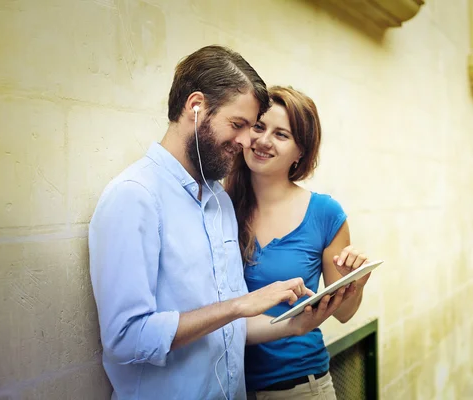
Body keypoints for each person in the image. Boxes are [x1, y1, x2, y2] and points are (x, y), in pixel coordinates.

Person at [88, 46, 349, 400]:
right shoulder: (134, 197)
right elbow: (124, 339)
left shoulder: (219, 201)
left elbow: (231, 329)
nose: (246, 141)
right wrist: (238, 305)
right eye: (239, 125)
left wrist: (295, 324)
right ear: (196, 107)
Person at [224, 86, 372, 399]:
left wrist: (354, 283)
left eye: (281, 134)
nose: (263, 141)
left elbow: (344, 313)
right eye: (259, 127)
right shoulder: (219, 206)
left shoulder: (324, 213)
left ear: (300, 151)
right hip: (225, 386)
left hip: (298, 387)